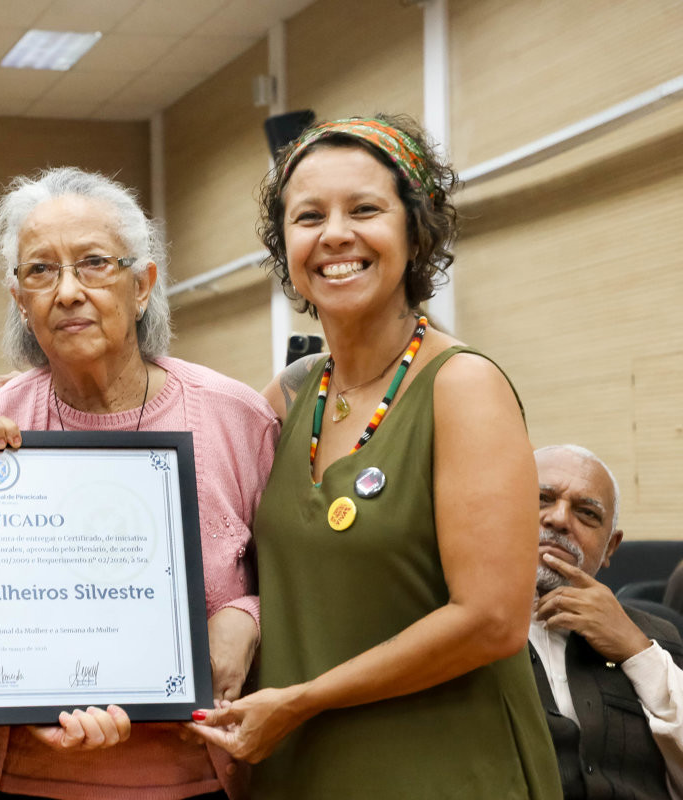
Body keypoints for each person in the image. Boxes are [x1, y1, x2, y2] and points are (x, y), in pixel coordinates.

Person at [187, 115, 561, 797]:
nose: (335, 234)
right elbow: (171, 444)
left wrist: (303, 700)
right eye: (308, 216)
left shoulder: (462, 386)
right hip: (300, 769)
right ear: (286, 248)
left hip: (443, 771)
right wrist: (11, 410)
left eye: (365, 209)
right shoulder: (292, 393)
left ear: (416, 232)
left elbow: (492, 620)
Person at [0, 167, 280, 800]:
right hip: (18, 782)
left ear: (143, 284)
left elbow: (306, 583)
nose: (68, 291)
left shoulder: (236, 420)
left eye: (94, 263)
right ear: (20, 299)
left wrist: (248, 615)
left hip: (199, 780)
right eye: (40, 270)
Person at [532, 444, 683, 798]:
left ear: (611, 548)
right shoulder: (456, 625)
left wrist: (636, 651)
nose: (558, 519)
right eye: (541, 499)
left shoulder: (655, 635)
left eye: (586, 513)